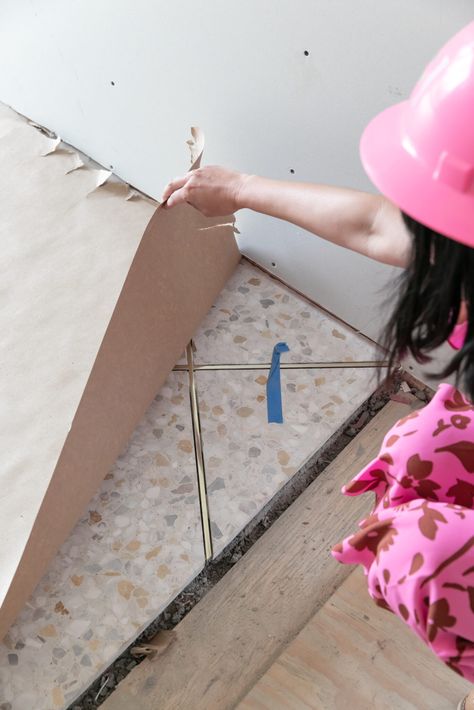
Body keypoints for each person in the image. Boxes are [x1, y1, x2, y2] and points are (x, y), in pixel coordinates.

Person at [162, 21, 474, 709]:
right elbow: (374, 226)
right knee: (421, 448)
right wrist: (239, 187)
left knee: (417, 555)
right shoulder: (461, 251)